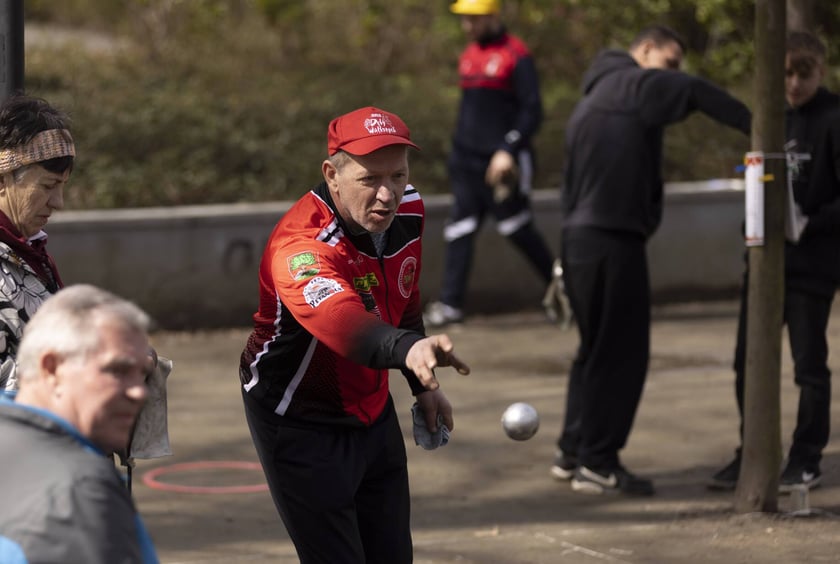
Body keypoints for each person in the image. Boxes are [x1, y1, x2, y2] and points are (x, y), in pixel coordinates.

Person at [239, 106, 470, 563]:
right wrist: (410, 350)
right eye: (369, 179)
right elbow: (345, 326)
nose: (387, 194)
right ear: (333, 175)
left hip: (371, 405)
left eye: (398, 174)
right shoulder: (300, 247)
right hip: (299, 417)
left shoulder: (408, 207)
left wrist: (422, 385)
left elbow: (403, 297)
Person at [552, 25, 751, 495]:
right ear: (643, 51)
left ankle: (574, 450)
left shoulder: (592, 101)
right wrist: (763, 123)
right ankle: (599, 463)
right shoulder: (632, 83)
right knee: (623, 352)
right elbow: (693, 90)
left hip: (579, 239)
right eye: (670, 60)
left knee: (595, 350)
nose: (674, 73)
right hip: (611, 239)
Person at [709, 31, 840, 493]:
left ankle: (806, 457)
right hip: (765, 262)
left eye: (803, 73)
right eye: (786, 73)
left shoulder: (833, 118)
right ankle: (753, 451)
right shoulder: (770, 116)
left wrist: (810, 220)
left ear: (820, 71)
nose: (794, 84)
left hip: (813, 263)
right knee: (748, 360)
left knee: (809, 365)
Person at [0, 284, 159, 563]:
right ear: (51, 369)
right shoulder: (81, 492)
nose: (139, 391)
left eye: (141, 373)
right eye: (117, 370)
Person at [423, 0, 555, 327]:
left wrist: (507, 148)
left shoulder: (516, 55)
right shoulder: (469, 55)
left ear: (492, 17)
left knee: (518, 229)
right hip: (467, 162)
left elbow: (532, 111)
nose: (468, 25)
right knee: (459, 230)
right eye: (464, 19)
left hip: (502, 163)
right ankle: (451, 304)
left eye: (474, 19)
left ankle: (567, 291)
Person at [0, 94, 75, 396]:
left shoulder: (29, 252)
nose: (57, 202)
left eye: (62, 186)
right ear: (3, 179)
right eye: (47, 186)